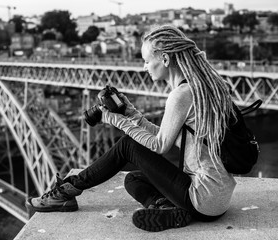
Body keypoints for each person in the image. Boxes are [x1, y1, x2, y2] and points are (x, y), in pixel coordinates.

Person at [25, 25, 237, 232]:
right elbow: (168, 138)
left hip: (202, 198)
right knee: (133, 179)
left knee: (128, 145)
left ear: (165, 59)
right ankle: (166, 208)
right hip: (219, 197)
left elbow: (160, 146)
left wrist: (114, 119)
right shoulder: (203, 88)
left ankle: (66, 191)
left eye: (146, 61)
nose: (144, 67)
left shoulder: (180, 96)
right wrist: (131, 114)